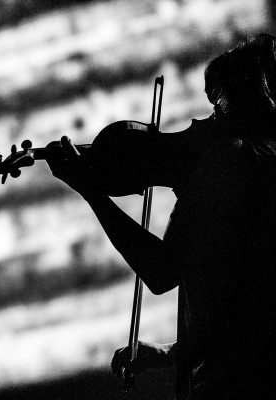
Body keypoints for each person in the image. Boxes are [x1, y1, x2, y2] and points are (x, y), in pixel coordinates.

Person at [46, 33, 276, 399]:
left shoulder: (233, 159)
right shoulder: (266, 166)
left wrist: (89, 189)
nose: (202, 123)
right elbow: (241, 300)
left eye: (218, 109)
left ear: (252, 103)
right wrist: (173, 352)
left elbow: (162, 270)